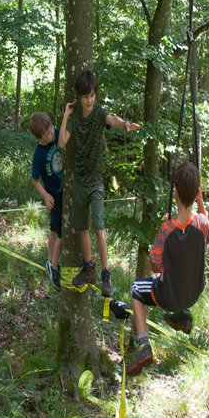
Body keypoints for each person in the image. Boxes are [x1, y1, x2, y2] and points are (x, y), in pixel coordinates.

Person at [59, 70, 140, 297]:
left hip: (95, 181)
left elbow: (111, 119)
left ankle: (106, 273)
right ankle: (89, 268)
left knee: (98, 226)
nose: (89, 100)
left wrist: (124, 125)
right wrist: (66, 115)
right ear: (79, 96)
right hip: (79, 181)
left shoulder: (98, 113)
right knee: (82, 228)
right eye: (85, 96)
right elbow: (62, 142)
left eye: (92, 95)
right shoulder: (75, 117)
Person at [127, 162, 209, 376]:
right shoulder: (201, 224)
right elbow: (206, 227)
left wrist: (162, 230)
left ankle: (144, 344)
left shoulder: (167, 229)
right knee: (183, 276)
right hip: (193, 294)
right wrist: (199, 199)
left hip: (168, 296)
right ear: (197, 193)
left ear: (175, 193)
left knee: (136, 289)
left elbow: (155, 266)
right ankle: (183, 315)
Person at [29, 112, 64, 292]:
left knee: (54, 229)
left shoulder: (58, 132)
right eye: (47, 133)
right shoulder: (39, 154)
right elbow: (34, 179)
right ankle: (54, 266)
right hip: (54, 195)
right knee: (60, 231)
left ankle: (50, 260)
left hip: (66, 189)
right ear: (39, 138)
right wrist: (45, 195)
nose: (52, 134)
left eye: (51, 129)